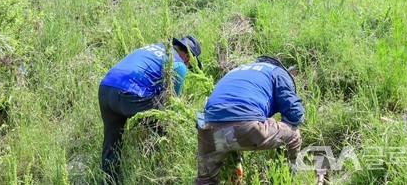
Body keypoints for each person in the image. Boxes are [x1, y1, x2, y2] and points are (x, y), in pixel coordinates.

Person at [100, 36, 202, 184]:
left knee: (112, 143)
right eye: (190, 63)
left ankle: (109, 181)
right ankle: (159, 172)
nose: (187, 66)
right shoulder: (178, 64)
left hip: (106, 87)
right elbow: (171, 104)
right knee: (166, 127)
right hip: (131, 92)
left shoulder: (154, 47)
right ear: (187, 56)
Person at [195, 56, 303, 185]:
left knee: (205, 181)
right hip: (246, 128)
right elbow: (295, 114)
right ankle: (287, 177)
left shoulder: (236, 71)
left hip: (207, 129)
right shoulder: (277, 72)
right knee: (293, 132)